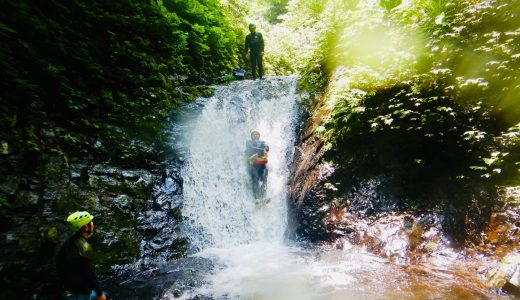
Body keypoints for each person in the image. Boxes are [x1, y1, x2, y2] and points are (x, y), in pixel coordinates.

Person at [56, 211, 108, 300]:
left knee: (106, 294)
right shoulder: (84, 248)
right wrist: (100, 295)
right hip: (78, 295)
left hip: (65, 290)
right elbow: (91, 274)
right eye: (90, 222)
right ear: (86, 227)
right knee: (103, 295)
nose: (92, 223)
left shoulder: (68, 243)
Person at [245, 130, 269, 199]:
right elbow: (251, 148)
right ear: (251, 136)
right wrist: (261, 150)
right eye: (254, 134)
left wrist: (265, 147)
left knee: (264, 178)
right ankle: (256, 198)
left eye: (257, 134)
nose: (256, 136)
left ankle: (264, 197)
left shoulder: (263, 142)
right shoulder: (249, 142)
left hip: (261, 164)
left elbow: (267, 148)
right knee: (255, 178)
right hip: (252, 164)